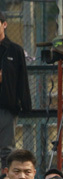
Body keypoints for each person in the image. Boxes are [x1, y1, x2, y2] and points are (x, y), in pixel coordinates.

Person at [0, 12, 31, 169]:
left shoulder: (14, 50)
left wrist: (25, 105)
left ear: (4, 24)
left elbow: (22, 79)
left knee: (6, 150)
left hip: (7, 107)